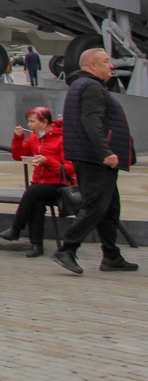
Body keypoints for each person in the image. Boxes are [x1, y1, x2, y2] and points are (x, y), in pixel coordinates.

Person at [53, 48, 137, 274]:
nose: (111, 65)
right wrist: (105, 152)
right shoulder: (91, 86)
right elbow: (91, 121)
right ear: (92, 65)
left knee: (109, 207)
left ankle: (111, 256)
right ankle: (67, 249)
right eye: (106, 61)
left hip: (90, 157)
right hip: (94, 159)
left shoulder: (82, 85)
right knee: (96, 206)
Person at [0, 107, 73, 258]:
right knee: (36, 201)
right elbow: (18, 156)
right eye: (29, 122)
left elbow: (70, 169)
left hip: (60, 185)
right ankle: (36, 245)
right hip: (40, 185)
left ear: (45, 122)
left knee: (33, 192)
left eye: (32, 121)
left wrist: (47, 161)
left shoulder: (62, 139)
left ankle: (16, 228)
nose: (30, 125)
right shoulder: (34, 137)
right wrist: (18, 138)